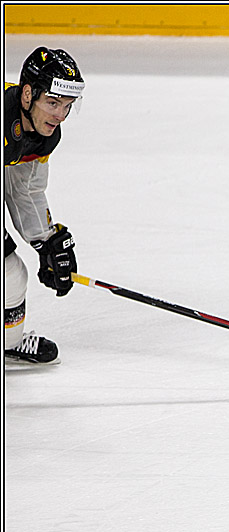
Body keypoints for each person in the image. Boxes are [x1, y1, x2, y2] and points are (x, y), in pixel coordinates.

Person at [4, 46, 84, 365]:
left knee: (11, 275)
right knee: (9, 273)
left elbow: (25, 186)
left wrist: (46, 240)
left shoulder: (43, 135)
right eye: (52, 103)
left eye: (66, 105)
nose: (60, 115)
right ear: (27, 95)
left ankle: (8, 340)